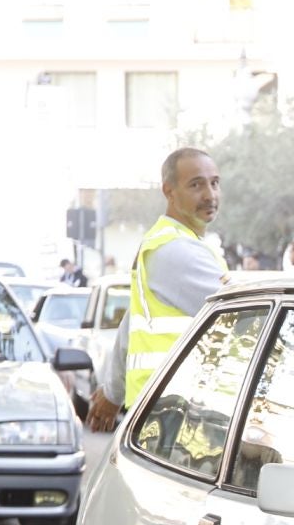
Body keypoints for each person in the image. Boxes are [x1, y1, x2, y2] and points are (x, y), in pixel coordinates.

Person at [87, 147, 229, 432]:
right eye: (196, 184)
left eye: (214, 183)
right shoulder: (176, 250)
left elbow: (131, 324)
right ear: (170, 192)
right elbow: (245, 315)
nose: (210, 195)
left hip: (164, 413)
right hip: (180, 418)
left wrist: (114, 391)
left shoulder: (167, 241)